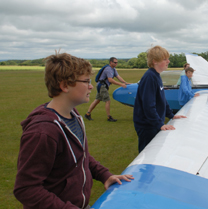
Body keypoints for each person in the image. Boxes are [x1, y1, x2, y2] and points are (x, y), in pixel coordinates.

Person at [14, 52, 134, 209]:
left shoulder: (74, 115)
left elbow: (81, 156)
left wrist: (105, 175)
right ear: (64, 86)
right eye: (86, 81)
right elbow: (26, 188)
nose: (91, 86)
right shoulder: (43, 132)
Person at [133, 46, 186, 153]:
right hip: (147, 126)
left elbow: (162, 99)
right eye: (164, 59)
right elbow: (148, 105)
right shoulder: (150, 77)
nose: (168, 61)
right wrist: (159, 124)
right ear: (154, 61)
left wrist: (171, 115)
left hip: (153, 124)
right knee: (147, 154)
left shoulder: (156, 75)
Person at [84, 57, 130, 122]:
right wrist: (121, 84)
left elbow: (118, 76)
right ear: (111, 62)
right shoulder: (108, 69)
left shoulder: (113, 69)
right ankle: (109, 117)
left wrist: (125, 82)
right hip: (102, 86)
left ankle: (87, 114)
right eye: (115, 62)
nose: (116, 63)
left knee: (97, 100)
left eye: (117, 62)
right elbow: (110, 80)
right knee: (107, 101)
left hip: (101, 86)